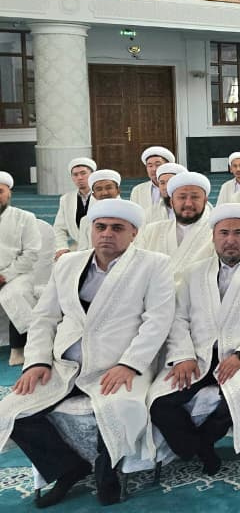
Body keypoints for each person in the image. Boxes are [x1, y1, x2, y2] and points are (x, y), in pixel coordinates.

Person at [0, 199, 173, 507]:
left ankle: (107, 473)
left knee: (121, 407)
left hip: (118, 364)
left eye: (117, 228)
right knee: (12, 410)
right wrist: (37, 361)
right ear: (91, 230)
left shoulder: (154, 264)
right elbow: (44, 318)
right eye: (100, 227)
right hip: (64, 366)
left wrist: (130, 365)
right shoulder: (68, 264)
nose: (107, 234)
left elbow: (157, 321)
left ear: (134, 233)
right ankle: (67, 469)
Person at [148, 203, 240, 474]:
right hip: (198, 357)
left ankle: (201, 446)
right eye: (224, 233)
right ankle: (199, 448)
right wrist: (184, 356)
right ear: (213, 236)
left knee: (239, 398)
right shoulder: (193, 272)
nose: (230, 240)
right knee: (159, 402)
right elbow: (178, 319)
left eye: (238, 233)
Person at [0, 171, 43, 366]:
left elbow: (31, 253)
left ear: (9, 193)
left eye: (0, 191)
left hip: (18, 273)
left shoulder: (25, 217)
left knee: (15, 294)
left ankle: (20, 347)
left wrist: (4, 276)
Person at [135, 172, 214, 277]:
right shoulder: (151, 231)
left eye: (195, 197)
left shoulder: (216, 234)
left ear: (205, 201)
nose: (188, 204)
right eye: (182, 197)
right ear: (172, 202)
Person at [52, 157, 96, 259]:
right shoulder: (66, 199)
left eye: (83, 173)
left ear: (92, 174)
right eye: (75, 175)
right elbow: (59, 228)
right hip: (78, 247)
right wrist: (62, 247)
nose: (79, 177)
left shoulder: (103, 195)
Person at [129, 145, 177, 219]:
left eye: (158, 165)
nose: (154, 169)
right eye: (150, 166)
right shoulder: (138, 190)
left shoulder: (177, 188)